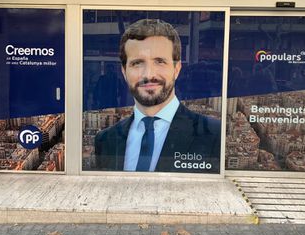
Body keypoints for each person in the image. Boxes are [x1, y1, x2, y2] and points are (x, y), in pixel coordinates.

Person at [94, 19, 221, 173]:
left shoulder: (214, 135)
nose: (149, 74)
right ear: (124, 72)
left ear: (177, 69)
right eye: (137, 63)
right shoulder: (106, 140)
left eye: (160, 62)